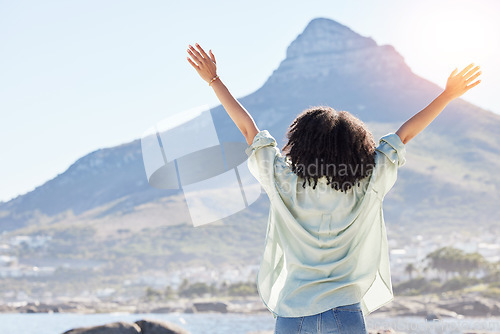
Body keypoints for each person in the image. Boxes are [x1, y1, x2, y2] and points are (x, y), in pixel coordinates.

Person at [186, 43, 481, 333]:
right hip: (345, 311)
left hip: (292, 312)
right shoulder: (368, 180)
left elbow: (248, 130)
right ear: (357, 146)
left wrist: (214, 80)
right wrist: (447, 95)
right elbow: (405, 134)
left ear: (300, 142)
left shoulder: (283, 180)